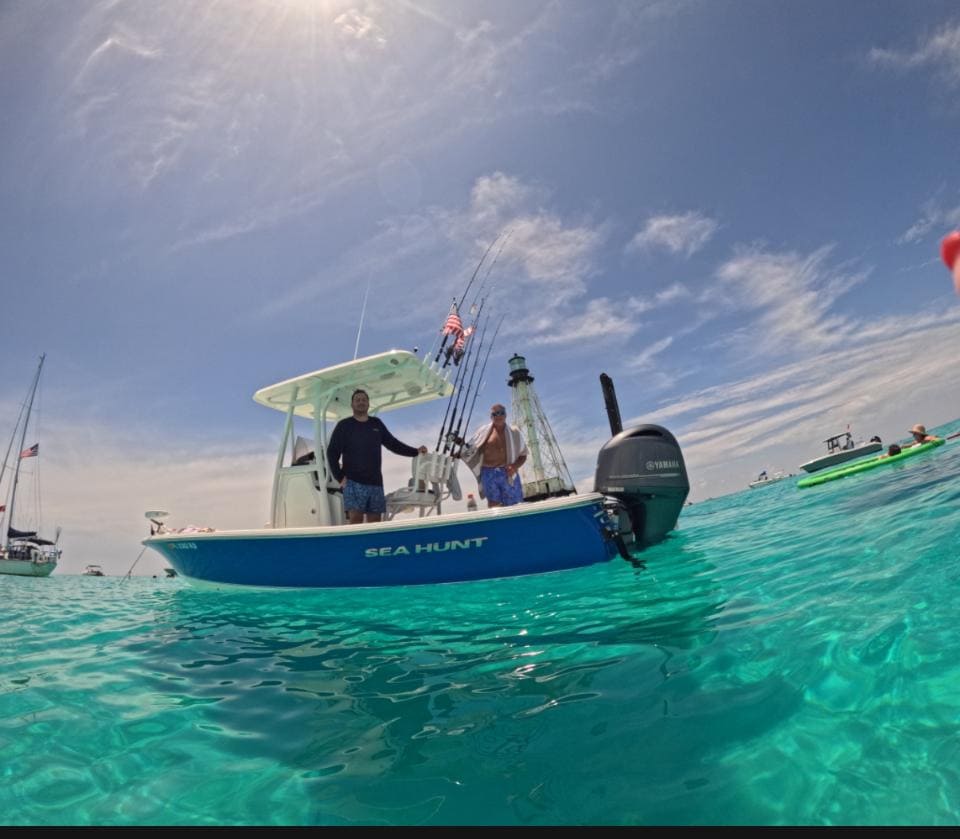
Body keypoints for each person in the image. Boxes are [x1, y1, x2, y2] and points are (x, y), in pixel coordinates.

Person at [327, 389, 428, 524]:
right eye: (357, 400)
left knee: (375, 522)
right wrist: (339, 477)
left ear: (368, 404)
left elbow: (393, 444)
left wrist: (415, 451)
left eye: (364, 400)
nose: (361, 402)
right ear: (352, 405)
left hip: (376, 483)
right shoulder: (344, 426)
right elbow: (332, 452)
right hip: (353, 483)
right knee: (356, 521)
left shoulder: (376, 424)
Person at [461, 403, 528, 508]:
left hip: (508, 473)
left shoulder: (515, 432)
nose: (498, 416)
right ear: (491, 417)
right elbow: (470, 449)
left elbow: (523, 455)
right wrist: (460, 449)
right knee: (494, 506)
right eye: (495, 414)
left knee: (515, 506)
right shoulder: (483, 432)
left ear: (506, 415)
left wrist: (514, 466)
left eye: (501, 413)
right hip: (488, 474)